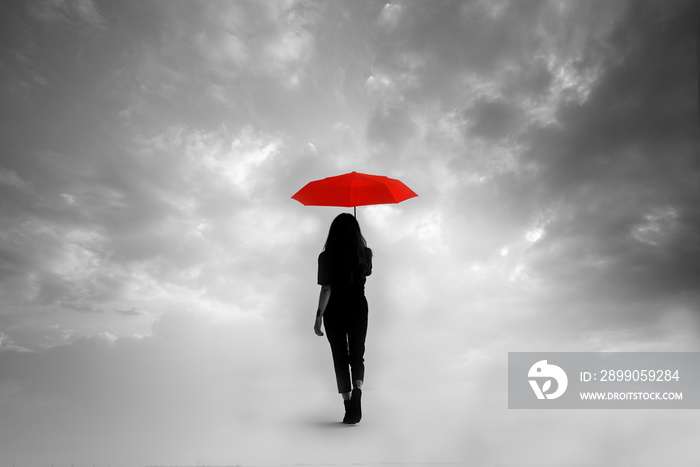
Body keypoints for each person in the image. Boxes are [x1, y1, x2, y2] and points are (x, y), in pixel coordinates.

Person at [314, 213, 373, 424]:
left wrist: (318, 317)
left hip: (335, 309)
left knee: (339, 356)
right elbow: (366, 273)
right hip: (358, 306)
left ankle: (349, 405)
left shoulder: (326, 256)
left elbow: (326, 289)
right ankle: (358, 389)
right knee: (357, 354)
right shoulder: (365, 253)